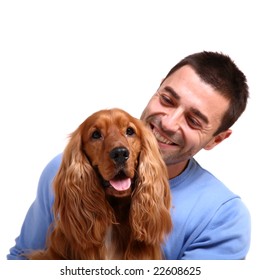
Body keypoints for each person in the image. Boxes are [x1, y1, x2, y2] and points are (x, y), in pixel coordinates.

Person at [7, 51, 251, 260]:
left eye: (193, 120)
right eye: (167, 99)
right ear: (157, 90)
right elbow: (21, 260)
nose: (168, 123)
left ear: (217, 139)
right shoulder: (60, 169)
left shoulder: (223, 217)